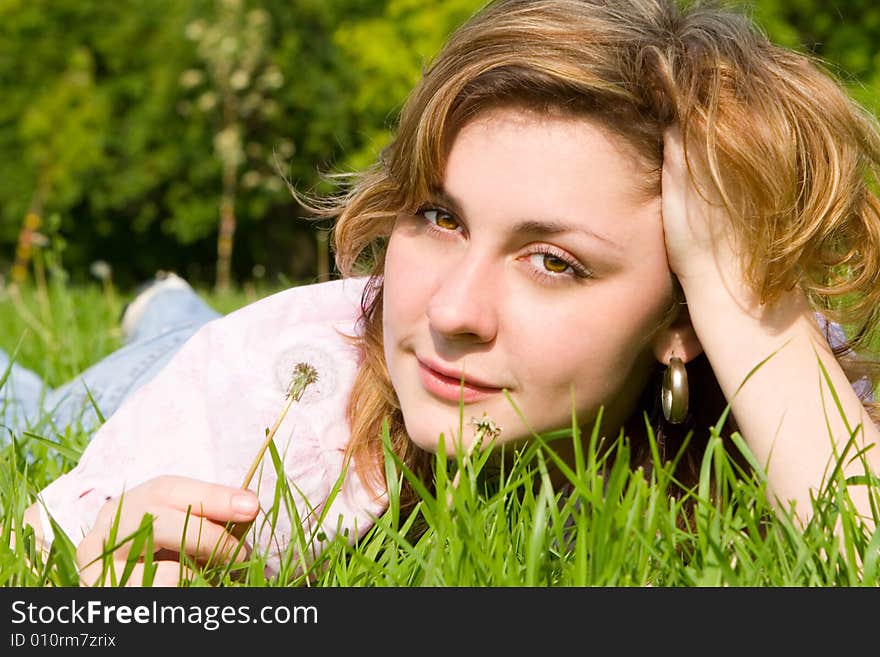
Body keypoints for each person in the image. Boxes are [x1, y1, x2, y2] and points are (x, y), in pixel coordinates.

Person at [12, 0, 880, 586]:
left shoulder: (777, 380)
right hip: (228, 360)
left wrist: (741, 308)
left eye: (554, 262)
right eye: (438, 216)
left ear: (684, 307)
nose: (451, 311)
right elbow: (46, 546)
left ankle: (169, 304)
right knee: (33, 402)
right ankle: (166, 315)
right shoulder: (281, 404)